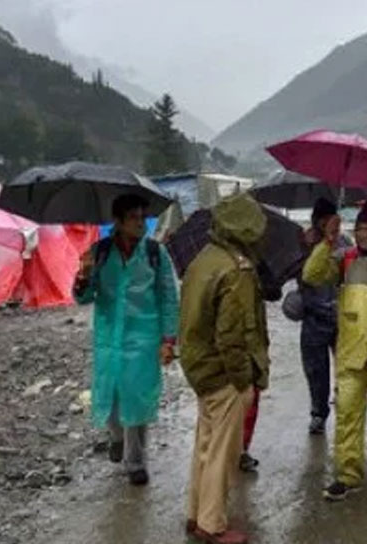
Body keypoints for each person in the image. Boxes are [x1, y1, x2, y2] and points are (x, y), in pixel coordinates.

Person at [179, 193, 270, 544]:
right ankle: (212, 523)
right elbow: (232, 335)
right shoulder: (237, 270)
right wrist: (244, 380)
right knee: (223, 451)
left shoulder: (204, 258)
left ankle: (196, 512)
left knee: (204, 443)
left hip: (198, 367)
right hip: (223, 374)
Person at [302, 199, 367, 502]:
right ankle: (348, 475)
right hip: (350, 355)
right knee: (348, 414)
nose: (364, 235)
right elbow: (311, 275)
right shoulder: (343, 259)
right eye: (359, 228)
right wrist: (327, 240)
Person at [74, 193, 179, 487]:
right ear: (118, 221)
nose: (140, 223)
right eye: (133, 218)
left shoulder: (156, 254)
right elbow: (84, 297)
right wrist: (83, 277)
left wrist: (168, 339)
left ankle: (136, 462)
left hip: (143, 338)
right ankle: (116, 437)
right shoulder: (101, 252)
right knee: (110, 398)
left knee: (138, 400)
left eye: (142, 217)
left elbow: (168, 297)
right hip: (109, 338)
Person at [298, 198, 346, 435]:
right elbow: (301, 276)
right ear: (317, 222)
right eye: (323, 220)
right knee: (316, 371)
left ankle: (344, 404)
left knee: (346, 368)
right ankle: (318, 413)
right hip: (313, 319)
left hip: (341, 318)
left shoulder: (344, 243)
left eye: (331, 220)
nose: (328, 225)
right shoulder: (303, 243)